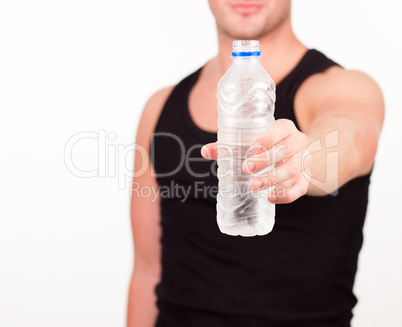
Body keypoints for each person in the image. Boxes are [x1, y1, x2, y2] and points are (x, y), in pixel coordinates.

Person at [127, 1, 384, 326]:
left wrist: (303, 160)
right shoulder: (160, 108)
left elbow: (351, 136)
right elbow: (147, 270)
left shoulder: (343, 87)